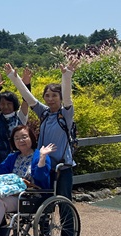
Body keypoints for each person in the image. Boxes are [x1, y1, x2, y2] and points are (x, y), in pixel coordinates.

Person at [5, 60, 79, 200]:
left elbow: (68, 99)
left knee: (64, 201)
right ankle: (44, 223)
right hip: (43, 164)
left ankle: (68, 223)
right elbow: (28, 97)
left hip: (62, 166)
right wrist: (14, 78)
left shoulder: (66, 115)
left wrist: (67, 76)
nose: (50, 99)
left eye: (54, 96)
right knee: (41, 199)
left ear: (60, 97)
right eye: (47, 96)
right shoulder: (44, 112)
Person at [0, 68, 31, 164]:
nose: (6, 106)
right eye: (2, 104)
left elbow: (26, 101)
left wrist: (26, 85)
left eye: (9, 103)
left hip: (19, 160)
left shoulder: (21, 116)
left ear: (14, 104)